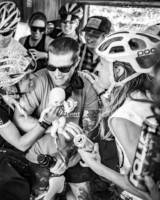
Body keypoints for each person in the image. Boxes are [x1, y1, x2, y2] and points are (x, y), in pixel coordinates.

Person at [13, 37, 99, 199]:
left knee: (85, 197)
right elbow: (19, 118)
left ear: (76, 62)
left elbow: (90, 129)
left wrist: (67, 153)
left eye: (64, 68)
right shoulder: (39, 79)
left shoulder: (85, 84)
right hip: (40, 157)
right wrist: (50, 127)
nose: (57, 74)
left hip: (74, 156)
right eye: (51, 67)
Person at [79, 31, 160, 200]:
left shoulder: (122, 119)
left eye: (102, 63)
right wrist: (102, 91)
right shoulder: (147, 98)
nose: (97, 68)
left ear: (120, 71)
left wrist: (95, 165)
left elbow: (145, 189)